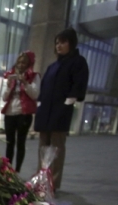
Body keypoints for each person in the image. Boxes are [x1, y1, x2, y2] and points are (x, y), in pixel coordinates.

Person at [34, 27, 89, 191]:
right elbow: (44, 87)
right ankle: (40, 179)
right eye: (57, 42)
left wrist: (69, 101)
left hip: (60, 110)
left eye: (63, 42)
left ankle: (52, 183)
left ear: (71, 43)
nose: (59, 45)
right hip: (46, 111)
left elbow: (79, 83)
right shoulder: (52, 66)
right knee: (43, 146)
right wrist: (40, 103)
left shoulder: (78, 62)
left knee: (56, 147)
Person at [1, 51, 40, 173]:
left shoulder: (34, 76)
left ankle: (17, 170)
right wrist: (8, 86)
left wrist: (25, 83)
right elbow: (4, 97)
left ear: (29, 63)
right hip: (10, 113)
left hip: (24, 113)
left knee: (20, 142)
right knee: (9, 142)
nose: (21, 64)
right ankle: (7, 169)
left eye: (24, 62)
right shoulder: (11, 75)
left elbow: (35, 95)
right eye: (19, 62)